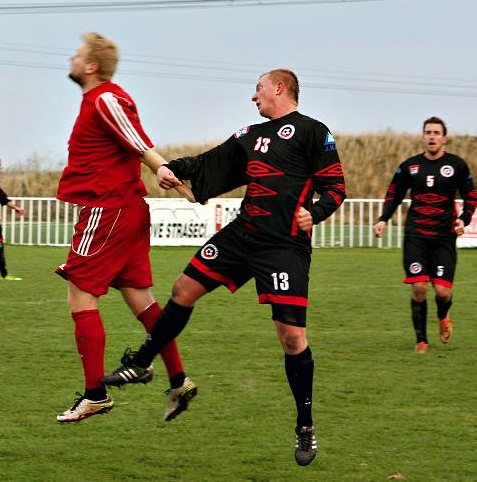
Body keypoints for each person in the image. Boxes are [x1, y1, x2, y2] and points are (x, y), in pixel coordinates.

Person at [102, 69, 347, 466]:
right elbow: (210, 162)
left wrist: (314, 213)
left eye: (259, 89)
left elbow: (336, 188)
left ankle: (305, 425)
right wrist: (173, 168)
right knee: (183, 289)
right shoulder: (249, 135)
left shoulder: (313, 132)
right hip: (242, 234)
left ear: (280, 88)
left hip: (283, 247)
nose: (254, 97)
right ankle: (142, 363)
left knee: (292, 339)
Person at [54, 32, 196, 424]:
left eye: (77, 54)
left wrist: (164, 169)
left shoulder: (105, 98)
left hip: (108, 210)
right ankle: (179, 380)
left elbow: (138, 141)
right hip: (125, 209)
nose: (71, 57)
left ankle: (94, 395)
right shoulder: (98, 100)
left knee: (80, 297)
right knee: (142, 301)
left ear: (91, 66)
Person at [373, 116, 477, 354]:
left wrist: (464, 219)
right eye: (428, 132)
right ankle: (421, 340)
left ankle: (443, 317)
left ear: (444, 138)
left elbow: (471, 197)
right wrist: (382, 220)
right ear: (423, 137)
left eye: (436, 133)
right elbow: (394, 195)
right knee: (419, 288)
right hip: (416, 236)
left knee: (443, 292)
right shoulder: (410, 166)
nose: (432, 136)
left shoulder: (458, 165)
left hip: (444, 238)